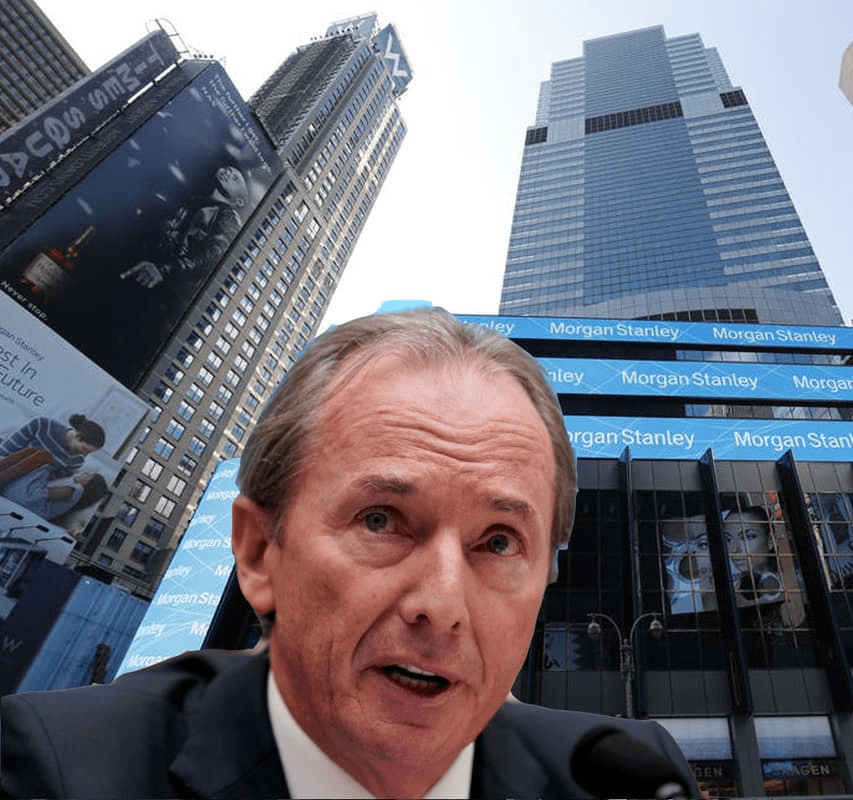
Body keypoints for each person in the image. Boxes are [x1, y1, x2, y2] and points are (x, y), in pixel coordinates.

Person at [0, 308, 699, 799]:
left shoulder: (631, 780)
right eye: (381, 520)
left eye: (497, 542)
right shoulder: (56, 769)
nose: (442, 606)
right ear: (258, 553)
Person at [120, 165, 249, 289]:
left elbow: (216, 255)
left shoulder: (228, 216)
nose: (228, 173)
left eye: (235, 178)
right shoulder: (198, 199)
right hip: (148, 266)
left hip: (168, 285)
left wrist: (166, 270)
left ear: (239, 201)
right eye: (227, 169)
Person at [0, 414, 106, 479]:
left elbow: (49, 478)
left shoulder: (77, 461)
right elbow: (10, 446)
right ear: (78, 436)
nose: (84, 455)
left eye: (88, 453)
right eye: (85, 449)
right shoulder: (43, 425)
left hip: (22, 479)